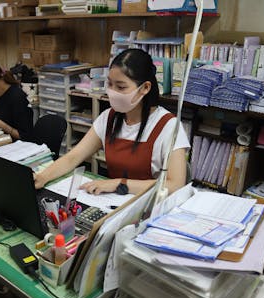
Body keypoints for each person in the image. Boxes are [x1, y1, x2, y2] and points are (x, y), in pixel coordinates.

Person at [35, 49, 190, 195]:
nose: (112, 92)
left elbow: (175, 184)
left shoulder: (169, 126)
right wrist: (42, 177)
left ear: (145, 88)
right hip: (114, 203)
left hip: (149, 206)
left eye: (121, 87)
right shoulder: (108, 118)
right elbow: (73, 157)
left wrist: (119, 184)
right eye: (109, 84)